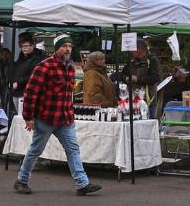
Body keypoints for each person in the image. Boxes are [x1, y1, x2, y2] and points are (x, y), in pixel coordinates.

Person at [14, 34, 101, 196]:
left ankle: (82, 184)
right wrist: (28, 117)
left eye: (70, 46)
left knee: (73, 149)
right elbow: (31, 93)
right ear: (57, 49)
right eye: (64, 46)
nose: (68, 49)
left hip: (65, 118)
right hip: (46, 118)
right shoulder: (44, 66)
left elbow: (68, 94)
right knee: (35, 150)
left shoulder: (71, 67)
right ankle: (21, 180)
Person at [120, 38, 162, 104]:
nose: (131, 52)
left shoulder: (152, 60)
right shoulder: (132, 61)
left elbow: (156, 77)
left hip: (148, 100)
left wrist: (138, 79)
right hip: (133, 99)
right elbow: (122, 74)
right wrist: (126, 78)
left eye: (133, 50)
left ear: (140, 50)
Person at [12, 32, 47, 105]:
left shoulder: (38, 58)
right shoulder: (21, 56)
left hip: (28, 93)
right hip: (17, 93)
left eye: (26, 46)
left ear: (32, 46)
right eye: (22, 46)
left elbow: (33, 75)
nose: (23, 48)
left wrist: (18, 83)